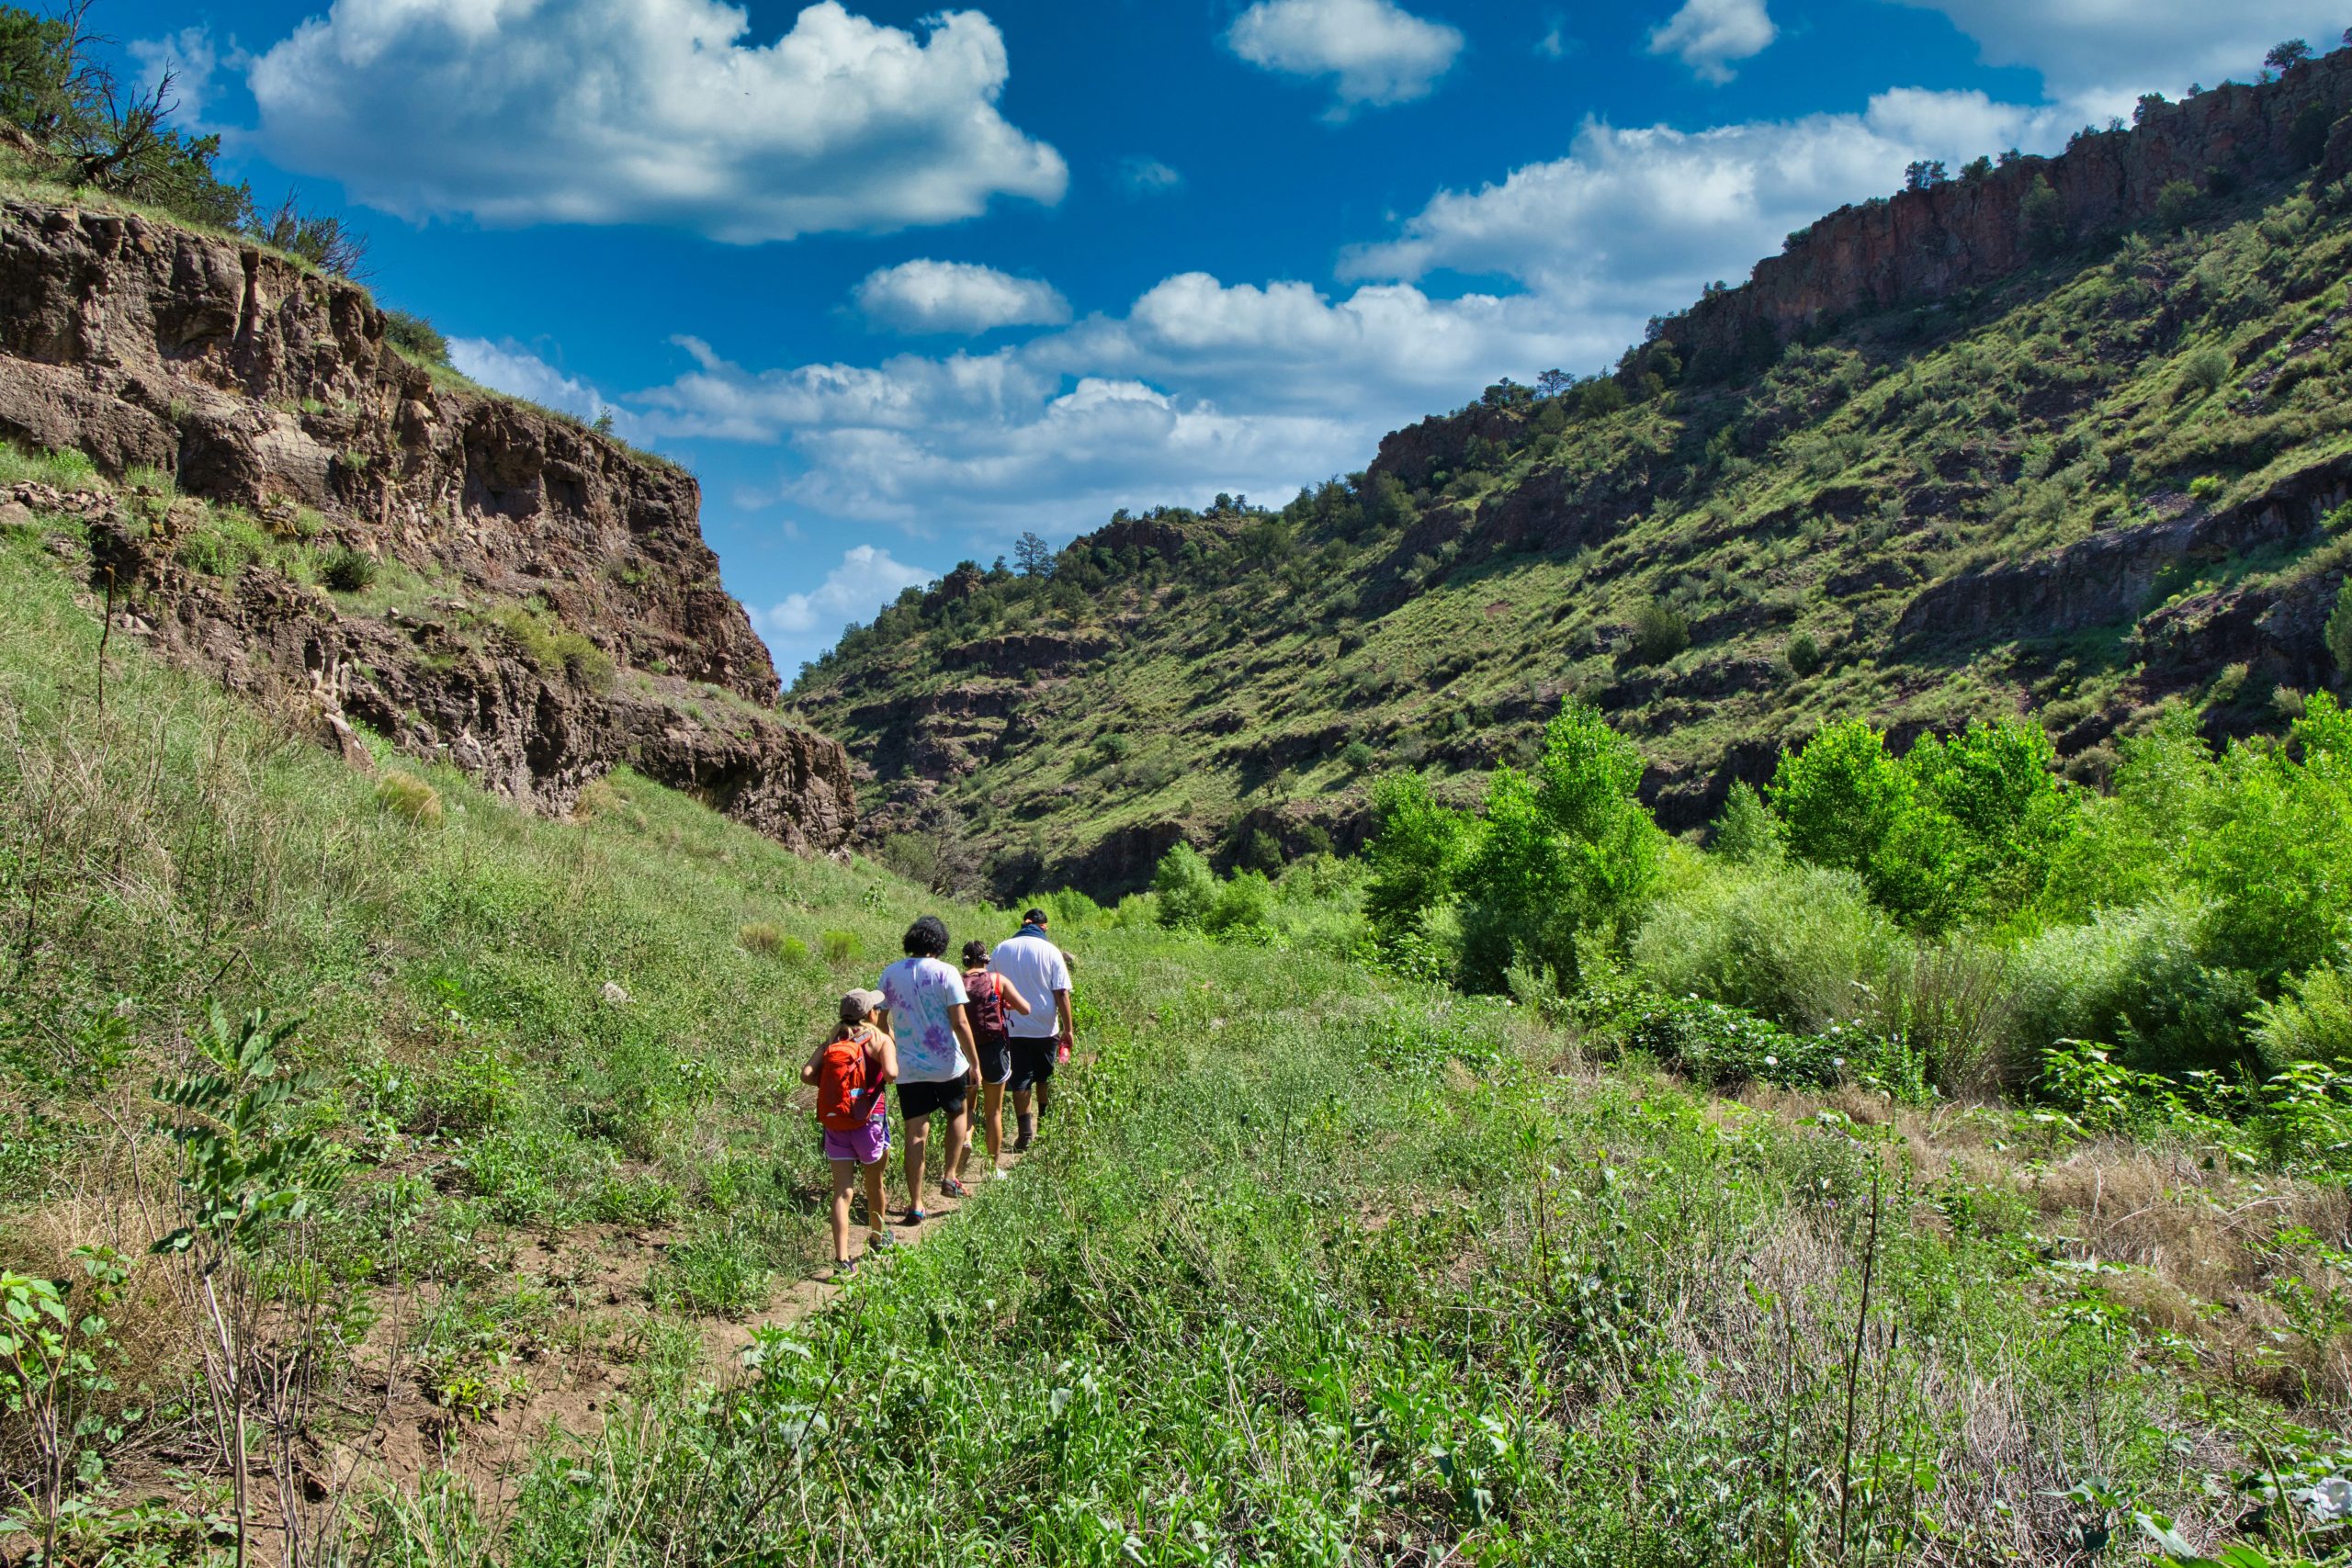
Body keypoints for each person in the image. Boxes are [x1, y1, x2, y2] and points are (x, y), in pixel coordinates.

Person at [876, 915, 979, 1220]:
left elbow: (880, 1023)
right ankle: (949, 1176)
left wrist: (898, 1047)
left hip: (909, 1068)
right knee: (957, 1113)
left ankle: (916, 1204)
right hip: (948, 1063)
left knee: (915, 1133)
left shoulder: (890, 974)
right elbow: (960, 1023)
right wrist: (975, 1062)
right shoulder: (947, 972)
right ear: (940, 943)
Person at [802, 989, 896, 1276]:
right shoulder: (879, 1040)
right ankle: (878, 1238)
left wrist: (836, 1090)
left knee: (842, 1191)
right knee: (874, 1184)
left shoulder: (832, 1040)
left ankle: (841, 1260)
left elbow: (806, 1074)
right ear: (871, 1014)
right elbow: (892, 1074)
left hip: (836, 1122)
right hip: (869, 1120)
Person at [987, 908, 1073, 1152]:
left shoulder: (1002, 948)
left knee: (1021, 1079)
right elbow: (1061, 992)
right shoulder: (1051, 951)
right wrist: (1069, 1029)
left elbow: (989, 986)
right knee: (1044, 1076)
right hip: (1045, 1027)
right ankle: (1044, 1129)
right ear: (1043, 926)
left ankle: (1025, 1135)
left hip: (1012, 1026)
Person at [956, 938, 1032, 1182]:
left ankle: (966, 1140)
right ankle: (991, 1167)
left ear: (965, 960)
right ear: (986, 959)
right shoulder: (998, 980)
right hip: (994, 1049)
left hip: (965, 1050)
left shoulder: (956, 981)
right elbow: (1026, 1008)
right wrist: (1005, 1003)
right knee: (994, 1113)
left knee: (967, 1106)